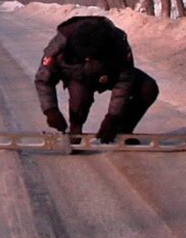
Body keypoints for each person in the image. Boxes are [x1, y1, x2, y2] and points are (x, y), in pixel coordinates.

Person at [34, 15, 159, 143]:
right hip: (77, 77)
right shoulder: (59, 47)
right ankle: (75, 130)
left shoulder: (118, 44)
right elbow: (43, 79)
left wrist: (113, 118)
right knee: (80, 98)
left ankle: (122, 129)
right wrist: (51, 110)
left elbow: (124, 81)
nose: (89, 60)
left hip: (110, 74)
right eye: (85, 57)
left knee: (148, 88)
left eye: (93, 57)